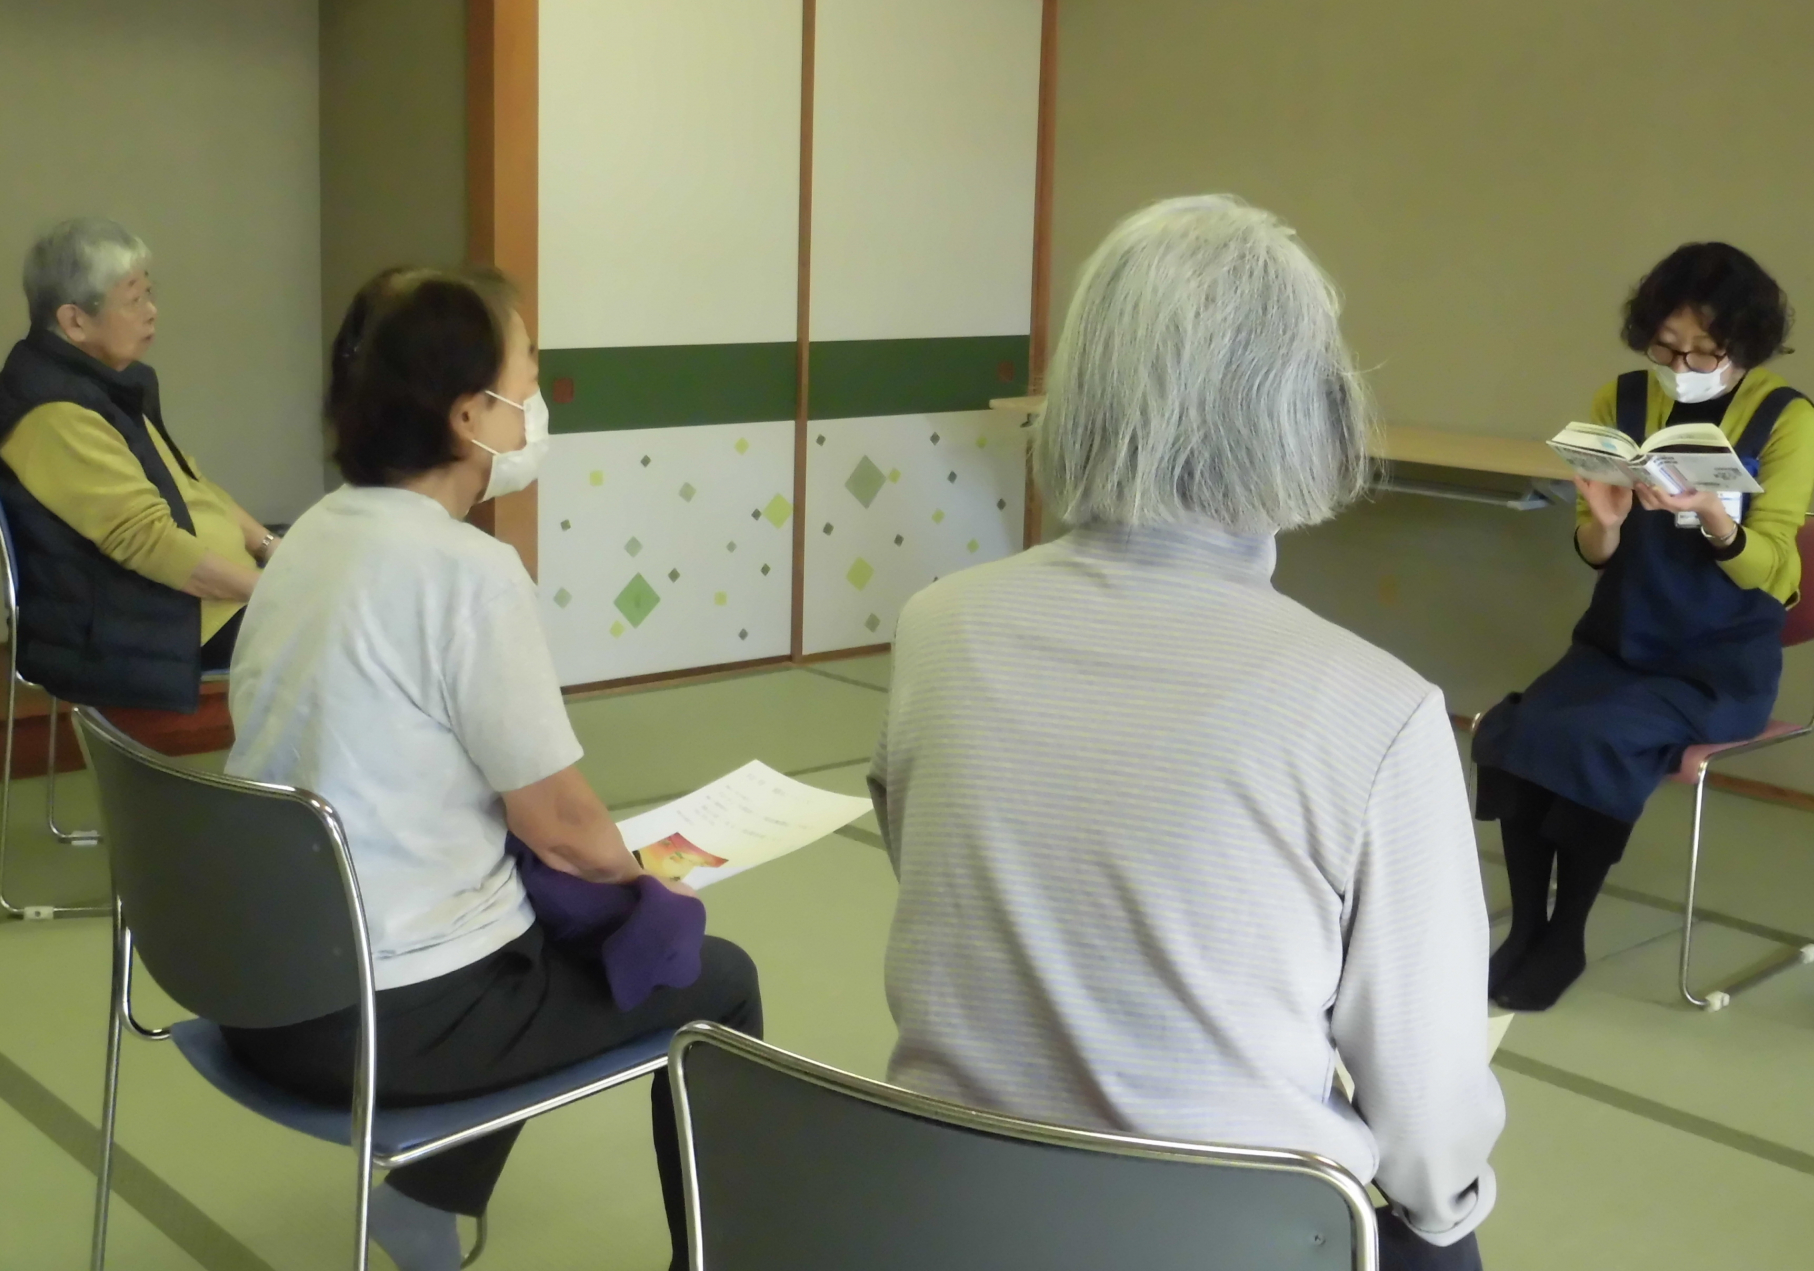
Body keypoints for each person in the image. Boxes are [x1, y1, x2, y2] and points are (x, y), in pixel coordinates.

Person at [869, 197, 1504, 1270]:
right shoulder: (1378, 710)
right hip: (1233, 1234)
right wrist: (1444, 1212)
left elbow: (946, 879)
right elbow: (1429, 1132)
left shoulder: (938, 627)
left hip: (952, 1208)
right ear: (1310, 410)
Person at [222, 268, 761, 1271]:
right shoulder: (467, 574)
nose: (536, 403)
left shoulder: (306, 539)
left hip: (255, 988)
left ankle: (424, 1204)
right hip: (381, 1021)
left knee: (517, 910)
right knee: (715, 981)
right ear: (471, 414)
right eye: (529, 376)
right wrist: (653, 877)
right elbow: (562, 826)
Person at [1473, 242, 1814, 1013]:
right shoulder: (1622, 401)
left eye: (1704, 350)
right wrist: (1604, 523)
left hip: (1718, 665)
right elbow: (1597, 552)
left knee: (1590, 737)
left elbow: (1777, 574)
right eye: (1666, 346)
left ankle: (1565, 935)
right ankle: (1526, 927)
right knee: (1517, 729)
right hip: (1620, 640)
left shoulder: (1786, 418)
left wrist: (1714, 516)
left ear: (1745, 342)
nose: (1682, 364)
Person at [0, 218, 278, 710]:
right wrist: (276, 592)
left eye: (149, 294)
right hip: (153, 625)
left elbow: (191, 484)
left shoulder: (101, 380)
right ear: (74, 321)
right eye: (133, 300)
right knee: (347, 633)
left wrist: (272, 548)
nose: (152, 312)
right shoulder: (54, 411)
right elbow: (146, 541)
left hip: (207, 599)